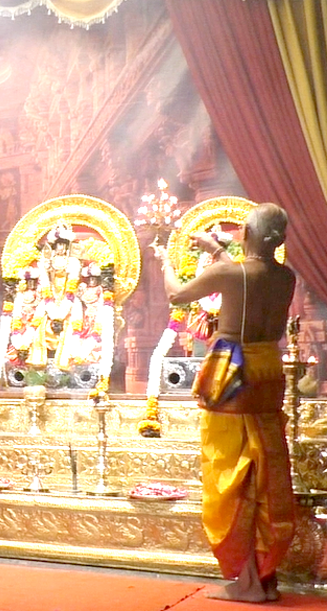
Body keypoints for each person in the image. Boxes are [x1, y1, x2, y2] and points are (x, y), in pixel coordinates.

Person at [154, 203, 295, 603]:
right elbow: (245, 280)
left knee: (232, 476)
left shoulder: (232, 274)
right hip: (267, 370)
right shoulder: (285, 276)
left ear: (246, 235)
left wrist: (166, 262)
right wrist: (216, 251)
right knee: (265, 470)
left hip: (233, 374)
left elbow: (177, 294)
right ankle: (265, 577)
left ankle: (247, 581)